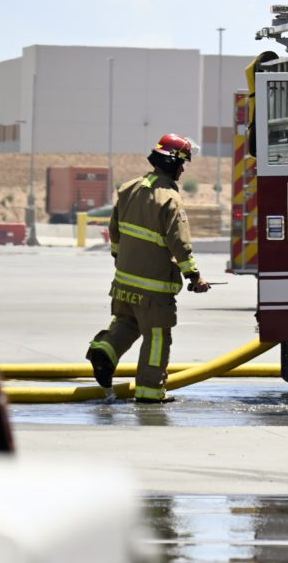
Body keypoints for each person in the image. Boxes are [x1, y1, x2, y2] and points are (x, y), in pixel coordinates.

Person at [85, 133, 211, 403]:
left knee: (127, 322)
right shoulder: (170, 199)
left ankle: (104, 350)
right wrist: (195, 276)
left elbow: (115, 232)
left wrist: (121, 260)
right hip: (154, 287)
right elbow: (180, 244)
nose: (183, 170)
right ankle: (150, 391)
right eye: (182, 163)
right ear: (172, 163)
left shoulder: (128, 189)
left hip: (124, 282)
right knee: (157, 336)